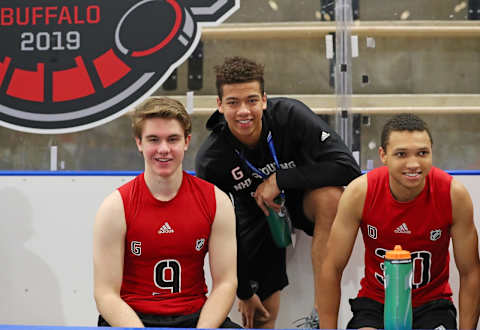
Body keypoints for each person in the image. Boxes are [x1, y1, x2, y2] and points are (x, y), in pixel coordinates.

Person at [195, 56, 361, 328]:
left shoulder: (290, 115)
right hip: (254, 213)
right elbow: (220, 228)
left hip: (299, 198)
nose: (243, 111)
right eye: (233, 103)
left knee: (333, 197)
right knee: (262, 313)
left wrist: (281, 178)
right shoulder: (212, 158)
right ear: (219, 105)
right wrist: (244, 291)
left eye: (251, 100)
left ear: (264, 99)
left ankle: (322, 316)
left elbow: (348, 170)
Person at [317, 113, 480, 329]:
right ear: (383, 155)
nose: (413, 164)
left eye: (422, 153)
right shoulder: (361, 192)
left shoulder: (453, 195)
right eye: (401, 154)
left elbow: (470, 272)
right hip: (375, 304)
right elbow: (331, 267)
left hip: (432, 306)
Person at [93, 97, 240, 328]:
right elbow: (105, 293)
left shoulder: (216, 201)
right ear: (139, 143)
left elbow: (226, 283)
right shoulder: (115, 207)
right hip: (133, 319)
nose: (163, 149)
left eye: (173, 139)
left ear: (186, 142)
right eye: (153, 139)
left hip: (195, 318)